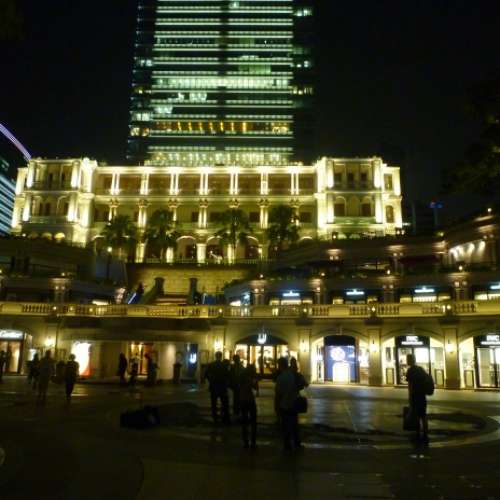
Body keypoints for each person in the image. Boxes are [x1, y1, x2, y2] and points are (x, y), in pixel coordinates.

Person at [275, 357, 302, 451]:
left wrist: (276, 406)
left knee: (285, 425)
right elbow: (302, 385)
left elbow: (278, 394)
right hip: (294, 403)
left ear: (280, 365)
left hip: (284, 404)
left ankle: (287, 445)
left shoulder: (280, 378)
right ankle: (297, 442)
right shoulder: (293, 375)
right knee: (294, 424)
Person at [406, 353, 430, 445]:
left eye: (407, 359)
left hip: (415, 396)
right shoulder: (420, 369)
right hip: (422, 396)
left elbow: (410, 385)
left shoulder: (410, 370)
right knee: (423, 415)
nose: (407, 361)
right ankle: (425, 433)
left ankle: (418, 433)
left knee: (416, 415)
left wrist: (410, 397)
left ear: (410, 360)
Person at [205, 351, 230, 424]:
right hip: (222, 386)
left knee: (214, 403)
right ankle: (225, 418)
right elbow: (228, 375)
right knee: (224, 403)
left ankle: (215, 418)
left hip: (214, 386)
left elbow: (206, 374)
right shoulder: (224, 365)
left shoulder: (211, 365)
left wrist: (211, 380)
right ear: (221, 356)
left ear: (215, 356)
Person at [239, 364, 258, 449]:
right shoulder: (250, 379)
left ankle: (245, 441)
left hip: (242, 400)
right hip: (250, 400)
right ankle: (253, 441)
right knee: (253, 421)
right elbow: (255, 387)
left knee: (244, 421)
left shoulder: (242, 377)